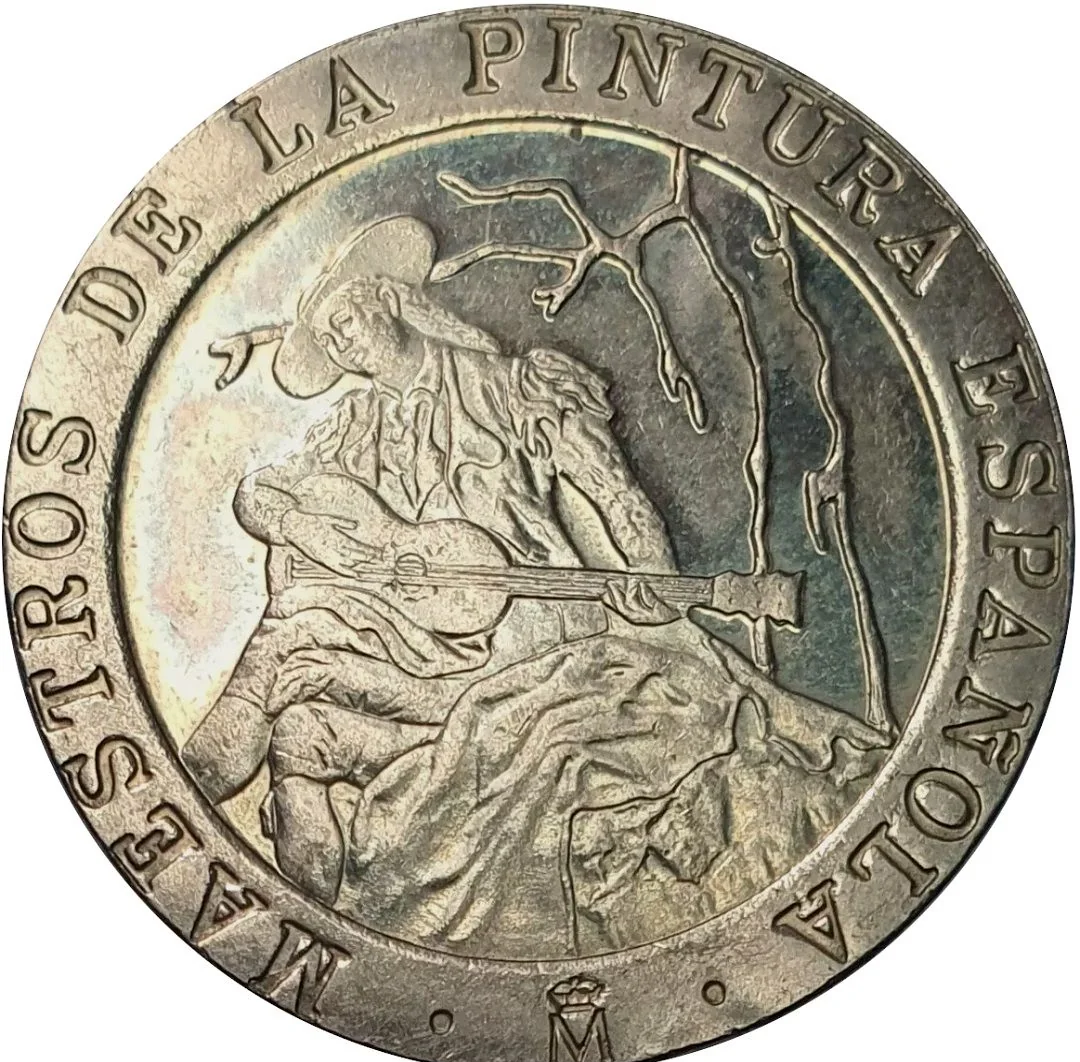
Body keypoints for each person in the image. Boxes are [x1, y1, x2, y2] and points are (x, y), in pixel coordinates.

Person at [182, 216, 890, 957]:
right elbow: (256, 495)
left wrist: (651, 583)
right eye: (328, 341)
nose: (341, 344)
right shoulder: (353, 425)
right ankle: (319, 931)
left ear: (388, 299)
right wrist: (311, 530)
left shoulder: (515, 389)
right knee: (299, 713)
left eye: (344, 321)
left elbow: (617, 497)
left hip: (528, 639)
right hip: (419, 647)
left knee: (297, 657)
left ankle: (209, 784)